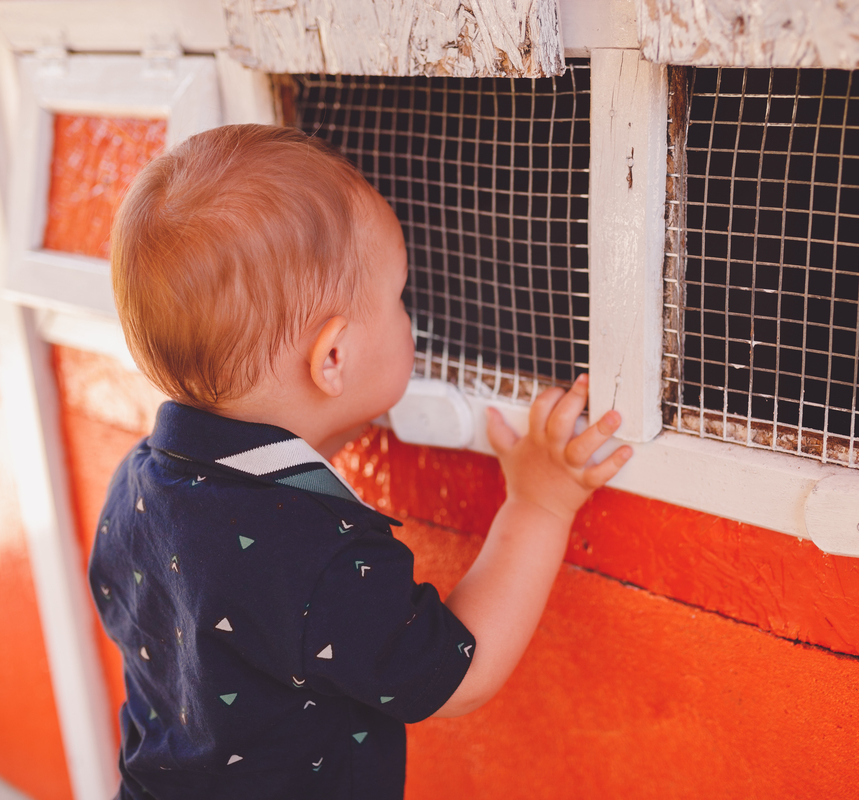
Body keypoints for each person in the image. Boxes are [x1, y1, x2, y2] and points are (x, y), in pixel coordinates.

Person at [89, 123, 633, 799]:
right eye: (398, 298)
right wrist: (540, 502)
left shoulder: (138, 485)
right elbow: (459, 676)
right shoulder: (318, 558)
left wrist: (331, 431)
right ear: (334, 359)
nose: (410, 316)